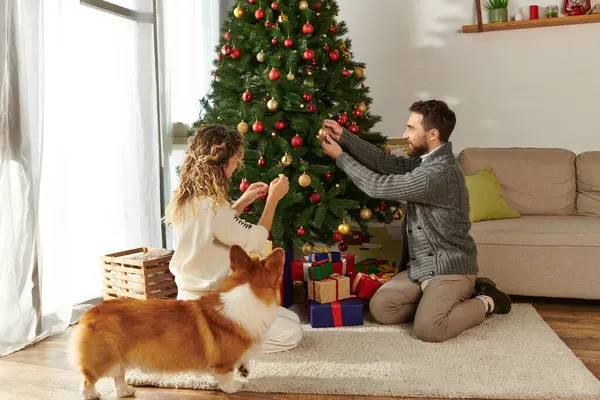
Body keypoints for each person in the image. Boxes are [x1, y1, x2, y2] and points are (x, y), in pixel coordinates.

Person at [319, 100, 511, 343]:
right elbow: (386, 164)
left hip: (449, 269)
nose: (404, 135)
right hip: (421, 268)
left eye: (411, 128)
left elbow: (378, 185)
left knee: (429, 329)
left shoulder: (437, 173)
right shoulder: (427, 161)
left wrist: (341, 157)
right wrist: (345, 137)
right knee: (381, 308)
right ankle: (438, 303)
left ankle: (487, 301)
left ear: (432, 134)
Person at [165, 124, 302, 353]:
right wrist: (273, 201)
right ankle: (218, 341)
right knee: (291, 333)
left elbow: (215, 226)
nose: (238, 164)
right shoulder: (213, 205)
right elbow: (256, 238)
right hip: (212, 304)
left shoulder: (187, 198)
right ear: (222, 162)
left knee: (290, 318)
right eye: (236, 159)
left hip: (190, 297)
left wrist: (242, 202)